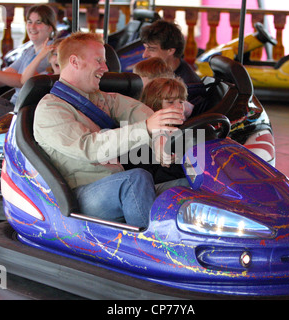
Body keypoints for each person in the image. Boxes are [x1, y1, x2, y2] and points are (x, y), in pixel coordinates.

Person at [33, 32, 185, 228]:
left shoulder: (95, 97)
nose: (105, 68)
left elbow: (133, 110)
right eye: (99, 61)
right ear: (75, 62)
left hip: (114, 185)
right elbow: (89, 148)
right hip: (79, 195)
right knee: (136, 180)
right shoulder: (51, 109)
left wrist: (158, 137)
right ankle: (149, 250)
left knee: (186, 186)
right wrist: (146, 128)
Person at [140, 20, 206, 115]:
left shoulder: (189, 86)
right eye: (145, 48)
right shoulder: (162, 74)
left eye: (151, 49)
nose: (144, 55)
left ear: (170, 50)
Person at [138, 77, 192, 185]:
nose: (178, 106)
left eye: (181, 102)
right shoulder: (144, 134)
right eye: (170, 102)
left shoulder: (181, 128)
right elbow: (156, 176)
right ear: (154, 105)